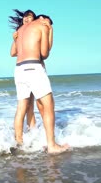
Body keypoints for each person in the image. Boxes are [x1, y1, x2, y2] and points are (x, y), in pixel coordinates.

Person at [13, 14, 69, 154]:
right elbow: (44, 53)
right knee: (49, 106)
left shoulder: (21, 29)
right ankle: (52, 146)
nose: (48, 25)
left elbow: (14, 52)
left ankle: (19, 144)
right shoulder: (41, 26)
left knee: (21, 108)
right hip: (34, 68)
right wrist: (49, 31)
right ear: (43, 19)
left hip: (19, 69)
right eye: (48, 22)